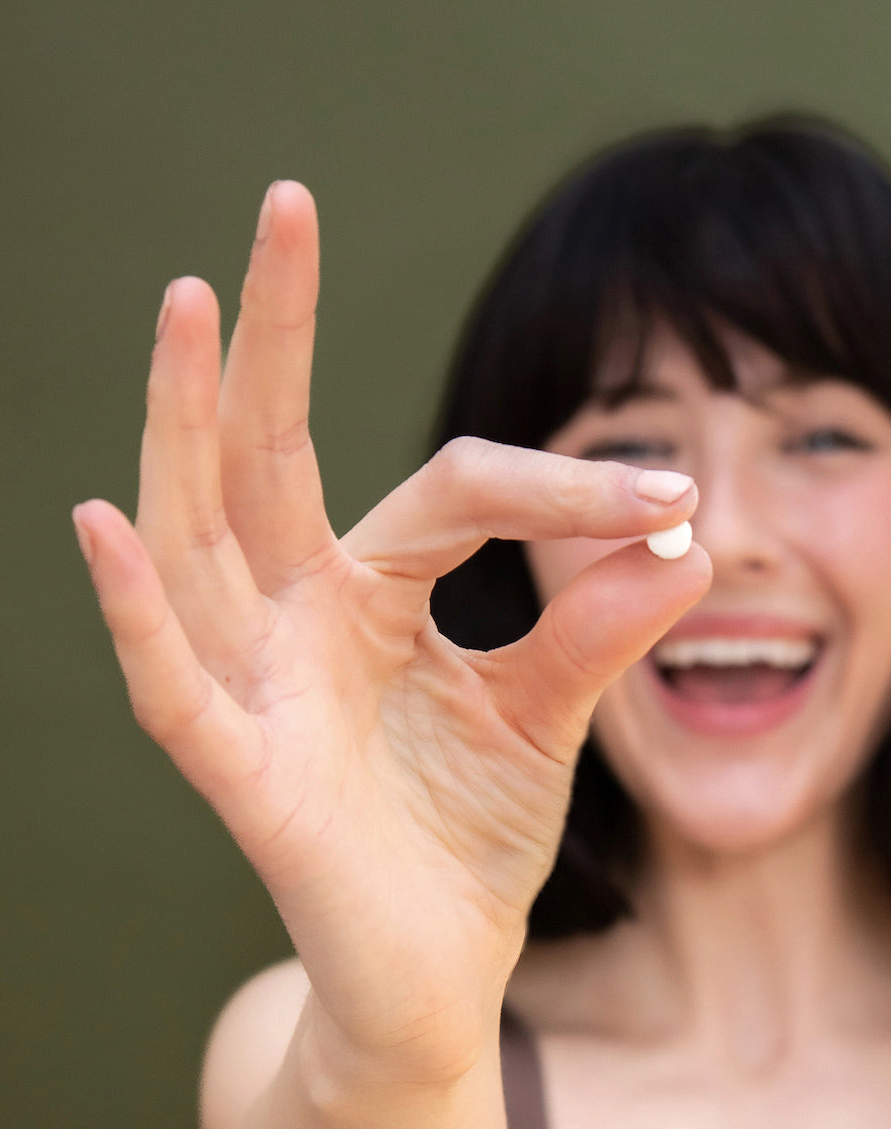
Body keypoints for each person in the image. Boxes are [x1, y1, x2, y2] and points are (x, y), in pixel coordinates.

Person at [73, 114, 891, 1127]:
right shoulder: (313, 1050)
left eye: (822, 437)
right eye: (631, 437)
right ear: (516, 534)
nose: (722, 529)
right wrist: (400, 1072)